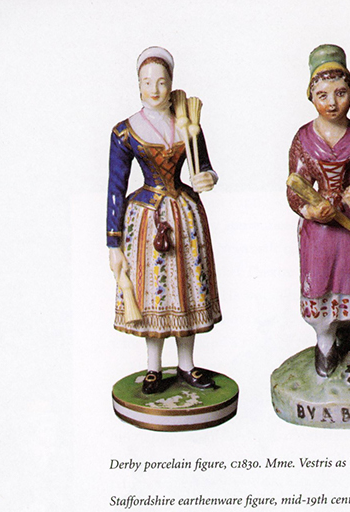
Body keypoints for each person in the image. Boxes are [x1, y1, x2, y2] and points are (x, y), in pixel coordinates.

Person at [108, 46, 220, 394]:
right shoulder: (126, 131)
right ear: (138, 85)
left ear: (171, 83)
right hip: (146, 219)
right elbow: (115, 187)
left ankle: (186, 364)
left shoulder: (188, 125)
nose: (154, 89)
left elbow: (204, 166)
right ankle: (153, 367)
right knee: (151, 292)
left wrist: (208, 177)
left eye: (161, 82)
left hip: (185, 216)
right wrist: (113, 242)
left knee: (186, 287)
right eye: (147, 82)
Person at [288, 44, 350, 378]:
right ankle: (325, 341)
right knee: (321, 281)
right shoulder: (304, 139)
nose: (332, 103)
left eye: (340, 93)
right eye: (322, 95)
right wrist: (308, 209)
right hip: (321, 230)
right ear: (311, 96)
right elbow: (294, 188)